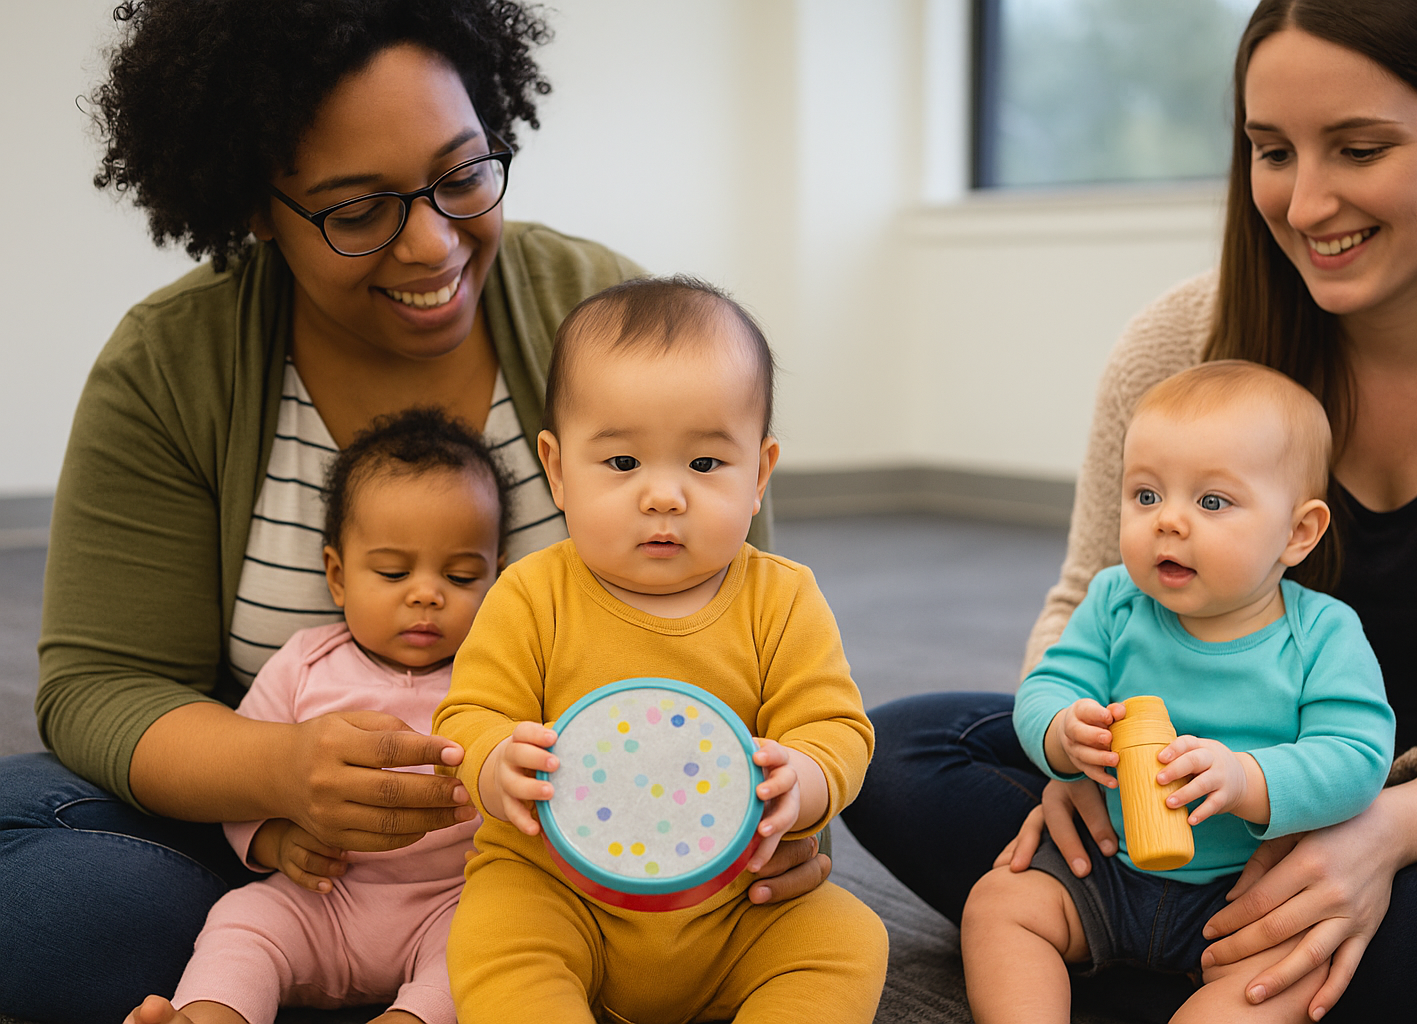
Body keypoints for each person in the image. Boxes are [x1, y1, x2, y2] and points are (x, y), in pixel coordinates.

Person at [0, 6, 817, 1024]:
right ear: (259, 205)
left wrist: (773, 806)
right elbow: (100, 684)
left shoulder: (606, 315)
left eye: (463, 175)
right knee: (44, 898)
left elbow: (752, 632)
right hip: (288, 853)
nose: (431, 244)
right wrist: (283, 772)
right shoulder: (173, 364)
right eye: (356, 210)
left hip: (558, 867)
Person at [844, 1, 1417, 1020]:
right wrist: (1067, 751)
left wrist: (1387, 831)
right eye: (1270, 150)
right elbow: (1085, 598)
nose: (1305, 203)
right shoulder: (1178, 342)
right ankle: (1248, 962)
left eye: (1358, 147)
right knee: (896, 751)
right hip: (1171, 820)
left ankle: (1185, 964)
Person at [433, 276, 888, 1024]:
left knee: (849, 939)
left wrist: (802, 778)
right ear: (555, 469)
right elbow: (466, 715)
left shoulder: (784, 598)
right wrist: (493, 760)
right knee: (495, 938)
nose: (664, 496)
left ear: (760, 476)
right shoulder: (528, 593)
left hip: (737, 902)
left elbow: (837, 728)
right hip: (560, 890)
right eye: (622, 464)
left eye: (705, 466)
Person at [961, 361, 1395, 1023]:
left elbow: (1359, 756)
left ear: (1298, 533)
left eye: (1212, 502)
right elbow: (1048, 683)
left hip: (1246, 893)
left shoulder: (1323, 633)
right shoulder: (1114, 601)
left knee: (1280, 980)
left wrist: (1249, 777)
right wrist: (1061, 731)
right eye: (1145, 496)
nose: (1169, 522)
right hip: (1105, 869)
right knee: (998, 907)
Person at [127, 406, 505, 1024]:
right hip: (326, 895)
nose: (427, 593)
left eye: (462, 575)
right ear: (337, 576)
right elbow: (239, 777)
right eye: (392, 570)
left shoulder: (500, 674)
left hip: (454, 898)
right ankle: (210, 1015)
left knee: (489, 951)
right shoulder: (303, 665)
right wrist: (275, 840)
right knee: (243, 921)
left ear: (498, 579)